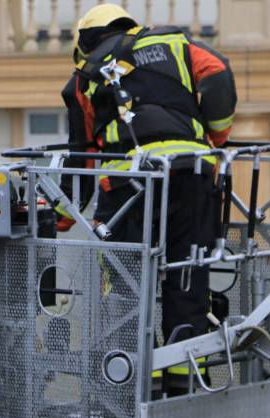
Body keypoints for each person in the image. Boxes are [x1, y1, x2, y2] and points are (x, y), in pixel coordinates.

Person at [64, 4, 237, 394]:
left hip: (128, 187)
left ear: (85, 41)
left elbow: (82, 158)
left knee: (126, 281)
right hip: (191, 175)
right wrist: (217, 137)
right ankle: (187, 375)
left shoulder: (84, 76)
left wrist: (57, 216)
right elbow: (217, 74)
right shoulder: (174, 43)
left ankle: (137, 379)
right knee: (188, 273)